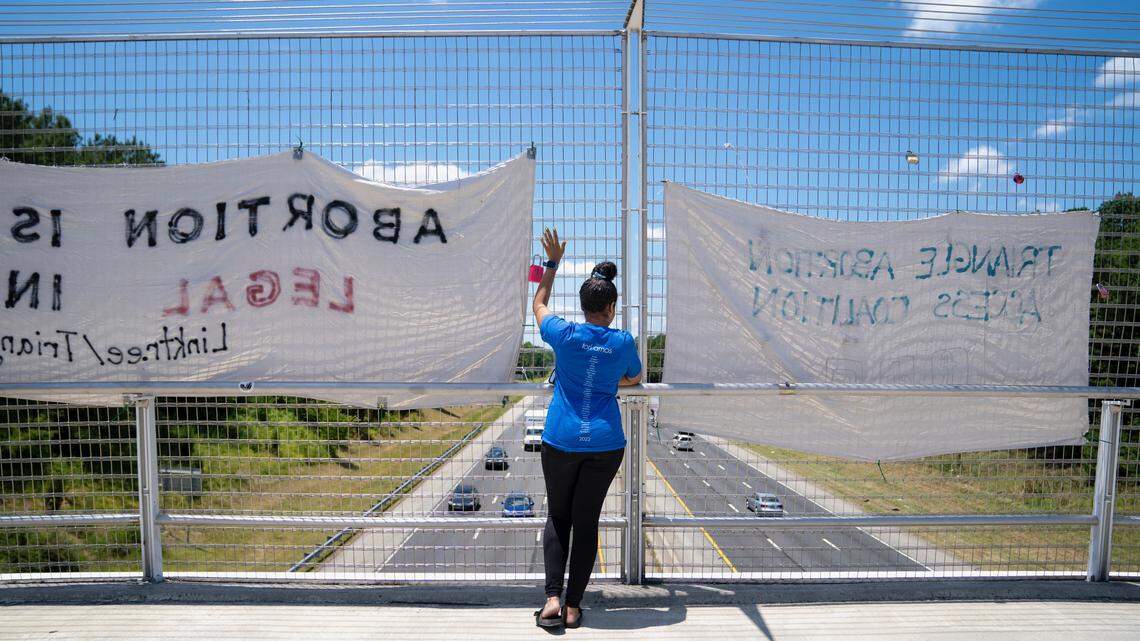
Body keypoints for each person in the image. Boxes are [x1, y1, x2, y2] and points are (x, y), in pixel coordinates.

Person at [531, 228, 642, 629]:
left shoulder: (563, 334)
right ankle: (575, 606)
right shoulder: (623, 341)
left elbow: (539, 302)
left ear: (582, 306)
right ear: (611, 307)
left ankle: (551, 602)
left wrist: (553, 264)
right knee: (586, 521)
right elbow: (634, 378)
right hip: (605, 444)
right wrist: (608, 380)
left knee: (558, 518)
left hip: (560, 440)